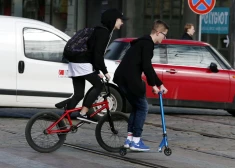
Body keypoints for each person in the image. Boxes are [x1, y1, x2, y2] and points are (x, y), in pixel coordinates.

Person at [57, 8, 128, 123]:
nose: (122, 23)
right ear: (113, 20)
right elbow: (97, 55)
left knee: (79, 94)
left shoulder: (98, 30)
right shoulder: (104, 32)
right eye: (121, 20)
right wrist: (105, 72)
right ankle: (83, 113)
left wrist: (96, 71)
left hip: (75, 63)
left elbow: (91, 53)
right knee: (98, 86)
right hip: (82, 63)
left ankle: (65, 118)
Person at [113, 20, 169, 151]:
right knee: (143, 108)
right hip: (131, 79)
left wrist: (159, 83)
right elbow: (146, 66)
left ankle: (130, 139)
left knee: (137, 107)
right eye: (164, 35)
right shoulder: (148, 44)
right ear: (158, 32)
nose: (165, 38)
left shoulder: (141, 42)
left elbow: (147, 67)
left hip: (121, 78)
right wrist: (154, 85)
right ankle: (136, 141)